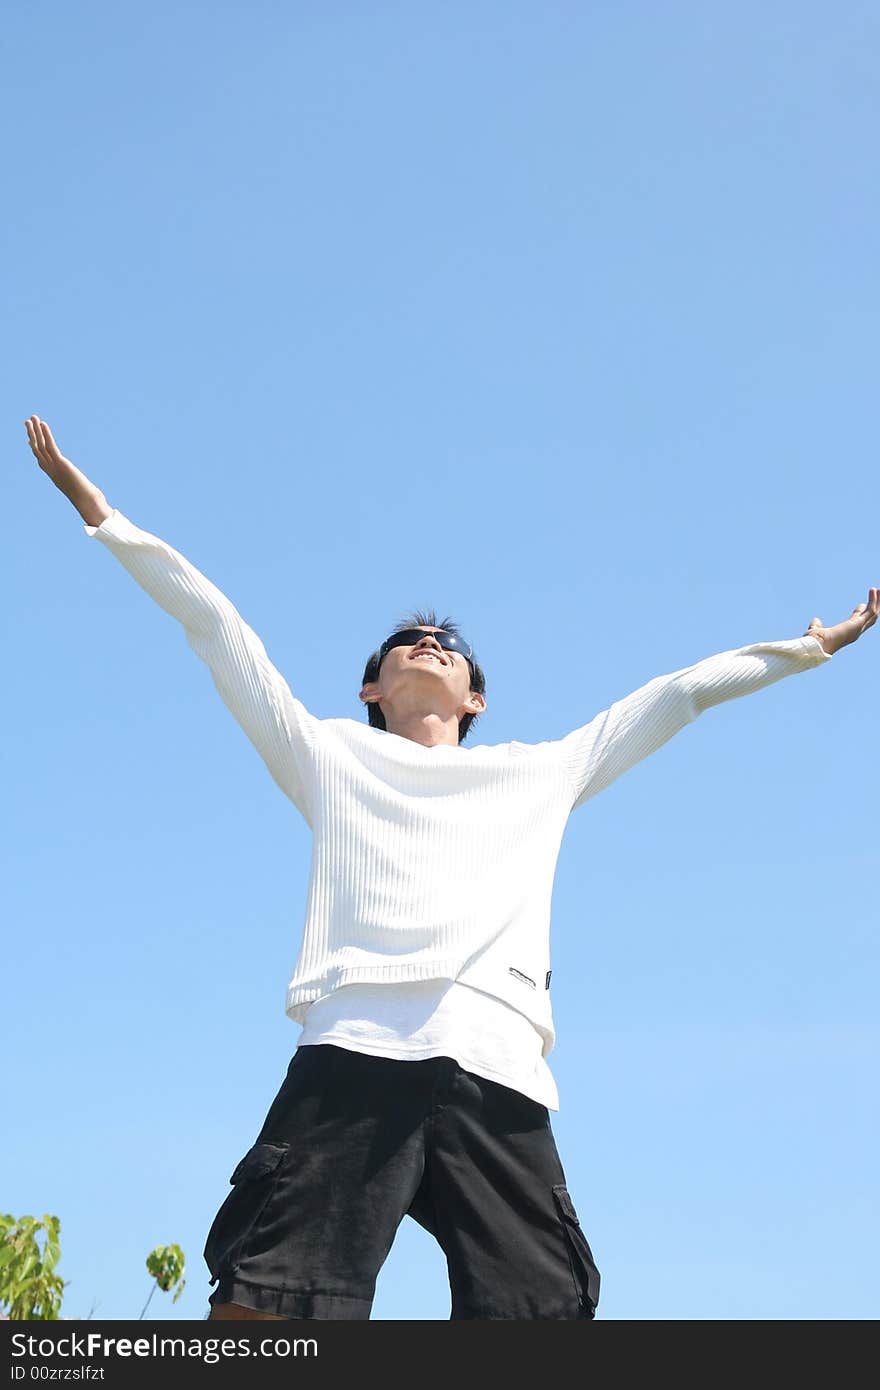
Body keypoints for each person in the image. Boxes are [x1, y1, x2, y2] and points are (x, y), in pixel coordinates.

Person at [24, 414, 878, 1322]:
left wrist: (806, 649)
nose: (427, 641)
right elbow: (216, 626)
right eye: (405, 640)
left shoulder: (543, 770)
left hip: (496, 1067)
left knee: (542, 1316)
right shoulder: (328, 755)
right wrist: (103, 515)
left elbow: (677, 697)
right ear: (371, 689)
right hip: (355, 1054)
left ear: (475, 696)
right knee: (268, 1306)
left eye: (447, 642)